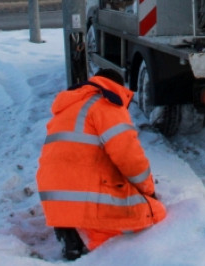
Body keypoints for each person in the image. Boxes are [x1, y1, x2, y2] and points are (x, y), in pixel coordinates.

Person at [37, 68, 167, 260]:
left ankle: (70, 228)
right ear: (117, 86)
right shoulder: (106, 105)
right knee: (154, 212)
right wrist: (147, 190)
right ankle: (88, 239)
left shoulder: (68, 107)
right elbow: (129, 157)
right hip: (82, 198)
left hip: (53, 198)